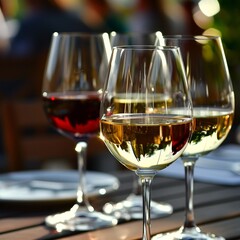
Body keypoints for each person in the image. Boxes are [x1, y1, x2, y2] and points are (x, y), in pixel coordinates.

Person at [8, 0, 93, 57]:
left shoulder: (32, 24)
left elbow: (17, 56)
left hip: (29, 83)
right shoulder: (77, 22)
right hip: (79, 78)